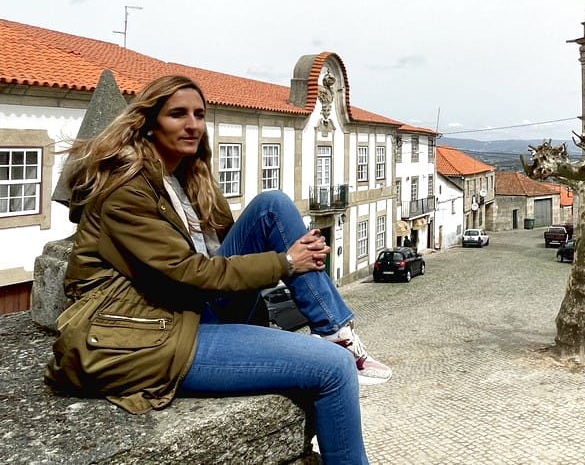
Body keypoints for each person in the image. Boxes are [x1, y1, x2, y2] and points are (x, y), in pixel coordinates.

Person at [45, 75, 389, 464]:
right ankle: (339, 347)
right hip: (150, 333)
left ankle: (335, 328)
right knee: (335, 369)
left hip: (188, 309)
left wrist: (290, 255)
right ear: (149, 122)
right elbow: (190, 271)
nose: (192, 124)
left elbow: (225, 255)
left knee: (271, 205)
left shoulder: (184, 177)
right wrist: (288, 262)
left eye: (199, 114)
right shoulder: (125, 190)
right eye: (177, 114)